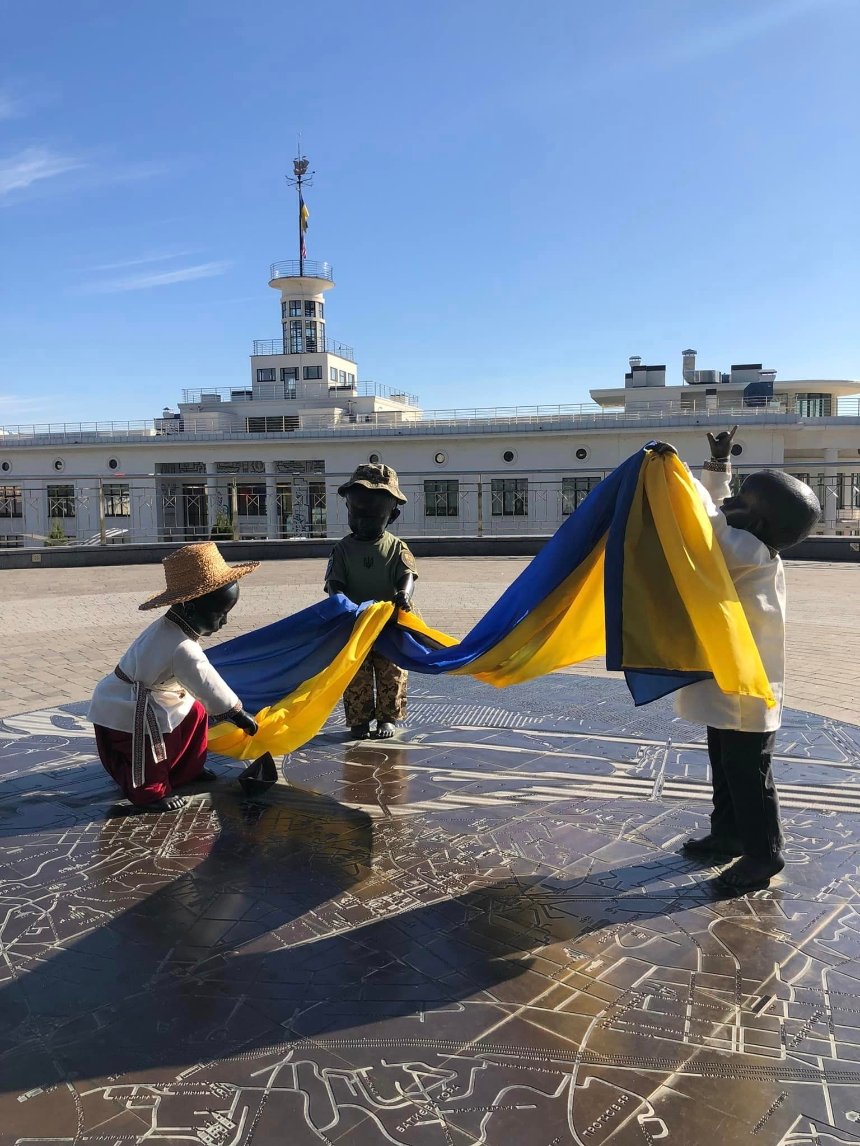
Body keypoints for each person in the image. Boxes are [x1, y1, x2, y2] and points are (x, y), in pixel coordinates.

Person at [652, 428, 821, 892]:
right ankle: (727, 833)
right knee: (726, 763)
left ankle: (764, 855)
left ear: (759, 526)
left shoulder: (748, 553)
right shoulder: (749, 543)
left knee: (748, 773)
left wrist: (673, 473)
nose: (731, 503)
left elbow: (707, 525)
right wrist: (718, 465)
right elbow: (718, 516)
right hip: (732, 682)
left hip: (749, 689)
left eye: (743, 502)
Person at [88, 542, 261, 813]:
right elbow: (207, 682)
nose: (224, 623)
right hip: (129, 707)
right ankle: (150, 793)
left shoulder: (171, 626)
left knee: (195, 714)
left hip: (146, 696)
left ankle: (187, 769)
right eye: (220, 615)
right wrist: (238, 715)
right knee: (151, 748)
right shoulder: (183, 647)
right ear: (191, 610)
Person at [325, 462, 417, 740]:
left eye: (373, 515)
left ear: (393, 515)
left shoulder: (396, 547)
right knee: (355, 673)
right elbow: (334, 582)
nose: (363, 521)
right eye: (357, 513)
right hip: (354, 624)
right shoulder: (342, 549)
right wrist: (338, 600)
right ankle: (359, 718)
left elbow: (407, 574)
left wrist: (404, 594)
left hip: (388, 622)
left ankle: (388, 716)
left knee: (392, 672)